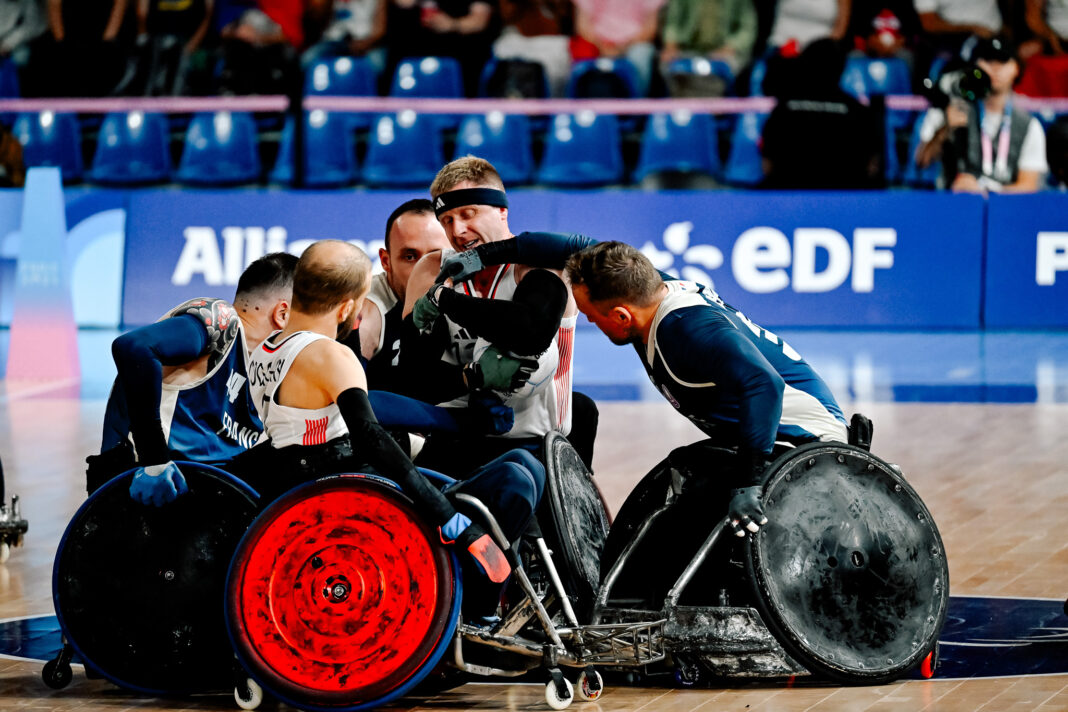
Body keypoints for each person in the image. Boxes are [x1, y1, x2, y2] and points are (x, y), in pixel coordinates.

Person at [241, 239, 545, 605]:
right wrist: (444, 513)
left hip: (312, 483)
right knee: (517, 477)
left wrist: (459, 421)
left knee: (520, 465)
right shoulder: (331, 355)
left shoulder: (268, 348)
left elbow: (367, 409)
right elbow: (370, 436)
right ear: (348, 308)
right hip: (350, 504)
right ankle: (474, 605)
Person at [564, 241, 847, 538]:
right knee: (677, 480)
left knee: (681, 521)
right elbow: (580, 244)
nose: (589, 320)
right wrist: (511, 248)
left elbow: (764, 383)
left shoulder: (686, 330)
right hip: (775, 435)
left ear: (623, 316)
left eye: (590, 314)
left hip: (808, 442)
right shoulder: (645, 290)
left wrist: (749, 482)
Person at [399, 156, 598, 473]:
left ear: (502, 211)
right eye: (447, 220)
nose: (458, 230)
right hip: (458, 432)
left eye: (468, 214)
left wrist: (444, 299)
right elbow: (412, 374)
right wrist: (469, 380)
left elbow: (529, 332)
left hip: (537, 444)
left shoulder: (538, 267)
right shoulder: (431, 269)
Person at [88, 252, 297, 499]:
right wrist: (154, 460)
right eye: (305, 312)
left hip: (202, 493)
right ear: (282, 314)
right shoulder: (222, 321)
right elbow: (133, 347)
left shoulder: (266, 365)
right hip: (146, 486)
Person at [916, 36, 1048, 193]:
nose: (995, 68)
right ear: (975, 66)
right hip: (954, 206)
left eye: (1002, 61)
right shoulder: (951, 108)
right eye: (988, 60)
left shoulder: (1029, 125)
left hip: (1005, 210)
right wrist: (944, 130)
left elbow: (1029, 186)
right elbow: (922, 162)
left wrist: (986, 192)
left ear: (1016, 68)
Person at [343, 198, 451, 392]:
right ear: (386, 262)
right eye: (410, 257)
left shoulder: (474, 292)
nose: (422, 270)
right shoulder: (370, 307)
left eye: (436, 257)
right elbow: (344, 396)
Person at [761, 38, 883, 189]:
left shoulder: (784, 109)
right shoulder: (860, 113)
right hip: (847, 199)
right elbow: (872, 167)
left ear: (805, 64)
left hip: (790, 199)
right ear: (841, 67)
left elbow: (767, 166)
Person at [570, 0, 666, 97]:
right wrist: (603, 46)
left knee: (641, 53)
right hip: (596, 44)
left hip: (634, 44)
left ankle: (638, 107)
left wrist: (623, 47)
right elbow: (583, 26)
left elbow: (650, 28)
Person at [659, 0, 758, 91]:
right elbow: (672, 22)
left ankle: (721, 107)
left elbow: (747, 28)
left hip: (725, 53)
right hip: (687, 50)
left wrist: (730, 47)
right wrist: (671, 45)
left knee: (728, 69)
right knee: (669, 66)